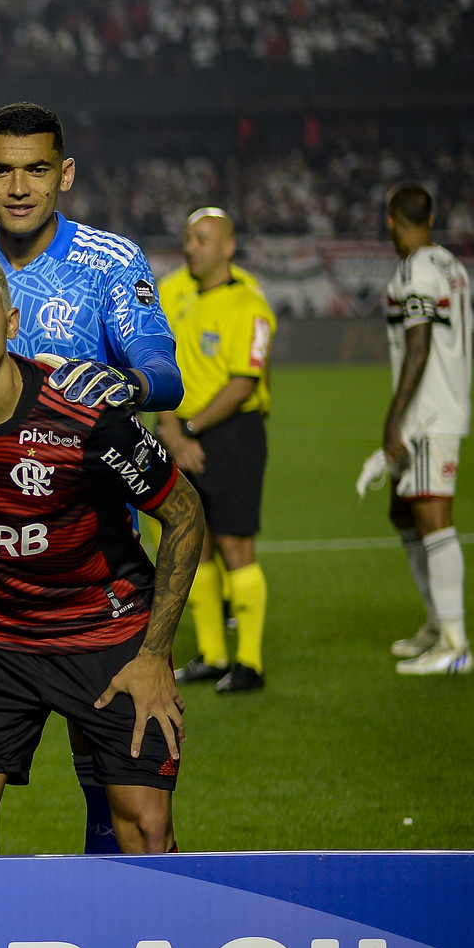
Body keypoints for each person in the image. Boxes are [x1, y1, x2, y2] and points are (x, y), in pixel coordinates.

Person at [0, 101, 185, 855]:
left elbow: (161, 370)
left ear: (65, 173)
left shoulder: (111, 262)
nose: (19, 186)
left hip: (96, 576)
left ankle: (113, 939)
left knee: (110, 788)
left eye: (37, 169)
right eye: (3, 170)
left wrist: (121, 387)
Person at [157, 207, 276, 693]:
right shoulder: (172, 293)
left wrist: (190, 429)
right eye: (188, 238)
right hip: (177, 432)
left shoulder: (249, 303)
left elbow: (244, 383)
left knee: (235, 544)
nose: (191, 246)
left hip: (231, 434)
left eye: (202, 238)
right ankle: (211, 653)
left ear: (227, 247)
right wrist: (173, 432)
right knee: (193, 543)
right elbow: (158, 365)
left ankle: (249, 662)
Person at [380, 182, 472, 674]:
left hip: (428, 415)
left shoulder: (415, 271)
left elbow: (419, 345)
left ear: (392, 221)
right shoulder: (452, 266)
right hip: (441, 405)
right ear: (430, 219)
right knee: (403, 512)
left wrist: (395, 418)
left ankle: (456, 643)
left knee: (434, 518)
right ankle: (438, 624)